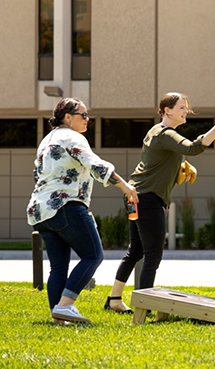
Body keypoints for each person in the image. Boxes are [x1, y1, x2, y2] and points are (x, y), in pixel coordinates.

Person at [105, 92, 215, 313]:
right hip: (148, 199)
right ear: (167, 110)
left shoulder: (156, 132)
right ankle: (144, 307)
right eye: (181, 108)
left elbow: (159, 160)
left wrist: (180, 167)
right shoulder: (167, 134)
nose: (186, 111)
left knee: (136, 251)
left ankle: (114, 300)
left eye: (186, 108)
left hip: (135, 195)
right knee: (152, 255)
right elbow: (194, 147)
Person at [27, 98, 137, 324]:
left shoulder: (47, 140)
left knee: (58, 267)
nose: (87, 119)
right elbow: (94, 164)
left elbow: (37, 175)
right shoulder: (73, 136)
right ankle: (66, 305)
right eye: (82, 115)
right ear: (67, 117)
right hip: (66, 205)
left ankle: (59, 316)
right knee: (93, 255)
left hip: (40, 210)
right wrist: (125, 186)